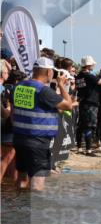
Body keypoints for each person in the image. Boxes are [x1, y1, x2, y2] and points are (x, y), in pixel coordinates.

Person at [10, 57, 76, 191]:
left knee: (22, 179)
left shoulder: (18, 87)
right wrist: (62, 85)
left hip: (19, 139)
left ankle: (18, 208)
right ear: (48, 72)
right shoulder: (44, 91)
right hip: (38, 142)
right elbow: (68, 105)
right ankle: (36, 210)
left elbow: (13, 112)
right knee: (37, 183)